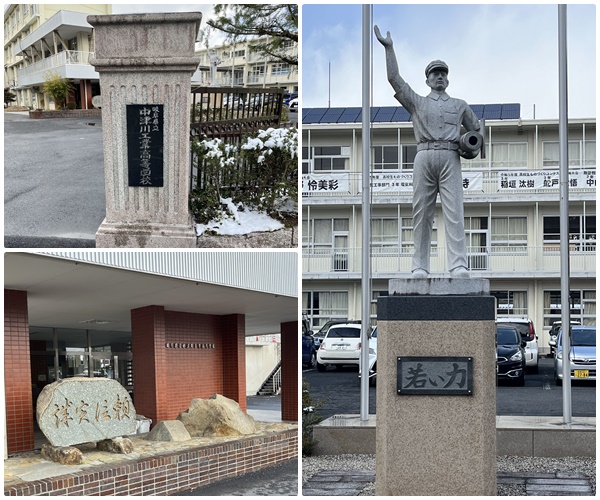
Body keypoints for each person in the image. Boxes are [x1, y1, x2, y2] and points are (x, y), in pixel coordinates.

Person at [374, 25, 482, 279]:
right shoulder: (418, 102)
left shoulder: (460, 105)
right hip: (424, 155)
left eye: (443, 73)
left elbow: (476, 133)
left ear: (448, 78)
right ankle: (419, 265)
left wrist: (470, 148)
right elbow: (394, 79)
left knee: (454, 211)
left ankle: (458, 264)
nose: (440, 77)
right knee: (422, 212)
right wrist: (389, 49)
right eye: (435, 74)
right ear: (428, 80)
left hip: (450, 156)